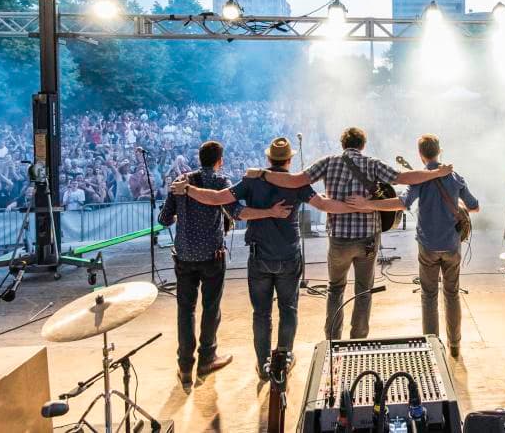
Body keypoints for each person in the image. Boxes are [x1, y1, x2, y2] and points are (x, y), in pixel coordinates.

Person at [174, 137, 362, 381]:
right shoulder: (296, 184)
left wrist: (188, 189)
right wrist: (359, 207)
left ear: (268, 158)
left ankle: (263, 365)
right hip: (288, 255)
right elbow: (324, 205)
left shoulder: (253, 181)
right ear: (290, 159)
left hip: (260, 255)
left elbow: (217, 198)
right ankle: (282, 361)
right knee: (288, 309)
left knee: (261, 313)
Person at [248, 126, 453, 340]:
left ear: (342, 144)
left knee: (335, 289)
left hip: (339, 239)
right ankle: (358, 339)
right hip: (367, 240)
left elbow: (295, 180)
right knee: (364, 290)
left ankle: (332, 341)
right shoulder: (372, 163)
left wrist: (262, 174)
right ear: (363, 145)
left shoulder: (328, 162)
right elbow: (404, 178)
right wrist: (437, 172)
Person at [352, 134, 479, 357]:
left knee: (429, 295)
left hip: (428, 245)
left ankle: (433, 348)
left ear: (421, 154)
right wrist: (456, 203)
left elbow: (401, 203)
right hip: (451, 245)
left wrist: (368, 204)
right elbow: (474, 206)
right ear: (440, 150)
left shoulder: (419, 179)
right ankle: (455, 345)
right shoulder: (456, 177)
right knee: (452, 294)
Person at [159, 140, 261, 391]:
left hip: (183, 257)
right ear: (219, 161)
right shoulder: (220, 182)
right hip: (212, 257)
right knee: (211, 307)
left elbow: (164, 219)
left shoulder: (181, 182)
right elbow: (234, 211)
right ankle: (207, 359)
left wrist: (180, 212)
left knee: (186, 310)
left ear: (199, 157)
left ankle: (184, 367)